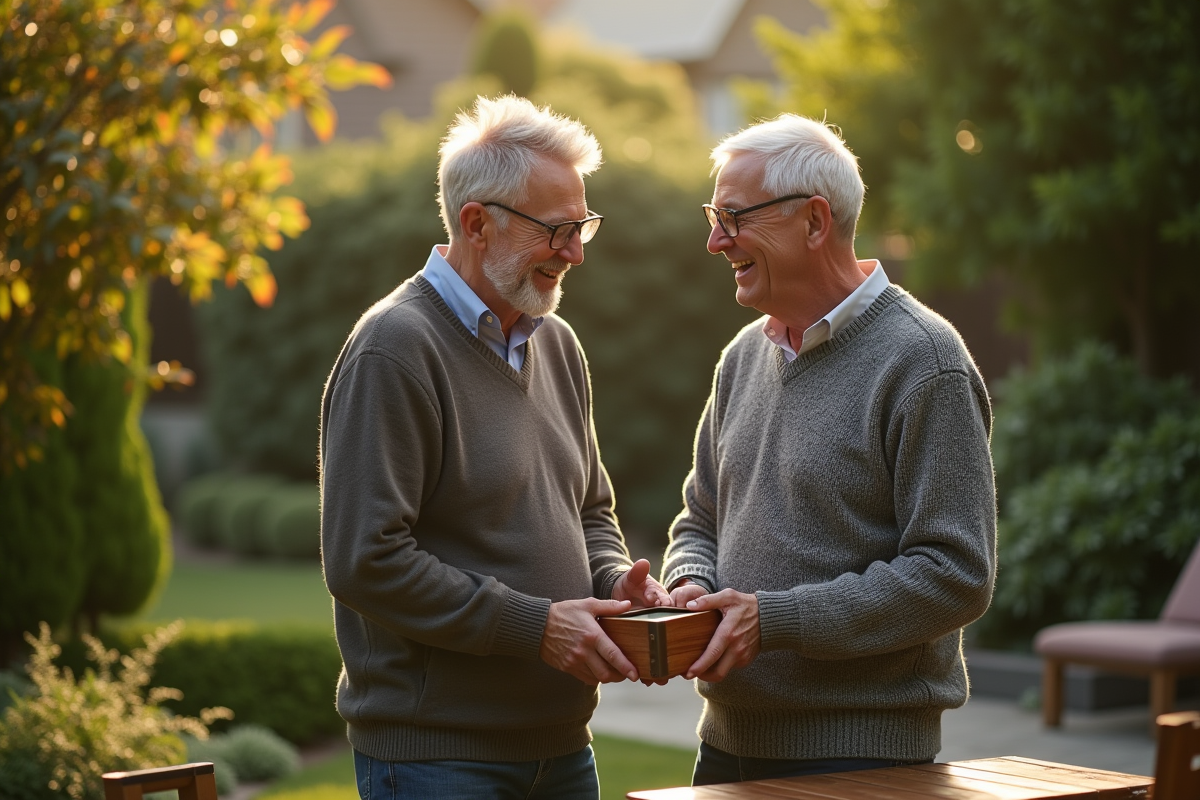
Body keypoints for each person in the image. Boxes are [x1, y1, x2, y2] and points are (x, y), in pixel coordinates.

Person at [319, 95, 669, 800]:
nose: (574, 252)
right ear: (477, 223)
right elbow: (365, 560)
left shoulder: (558, 344)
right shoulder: (394, 348)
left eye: (582, 227)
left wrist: (612, 582)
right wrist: (537, 628)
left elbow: (590, 511)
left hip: (562, 747)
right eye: (557, 230)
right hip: (438, 759)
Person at [661, 114, 997, 785]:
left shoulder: (925, 361)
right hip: (725, 746)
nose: (715, 240)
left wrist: (774, 620)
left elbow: (955, 573)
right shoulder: (741, 358)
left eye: (734, 217)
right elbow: (700, 519)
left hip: (860, 757)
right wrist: (690, 585)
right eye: (715, 216)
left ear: (814, 221)